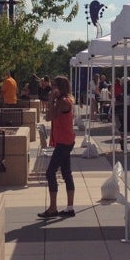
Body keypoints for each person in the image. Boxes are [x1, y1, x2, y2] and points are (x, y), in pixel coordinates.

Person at [38, 75, 76, 218]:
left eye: (54, 86)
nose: (52, 88)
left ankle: (53, 208)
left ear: (60, 87)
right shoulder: (61, 101)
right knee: (66, 173)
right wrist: (52, 100)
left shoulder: (63, 102)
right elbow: (50, 115)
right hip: (65, 140)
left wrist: (50, 100)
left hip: (64, 142)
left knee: (50, 172)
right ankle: (69, 208)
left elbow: (49, 117)